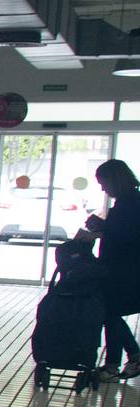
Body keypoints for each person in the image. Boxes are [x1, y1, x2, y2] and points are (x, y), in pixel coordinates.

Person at [83, 159, 140, 379]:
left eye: (103, 182)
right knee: (110, 313)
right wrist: (102, 226)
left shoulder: (131, 203)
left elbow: (125, 235)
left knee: (110, 312)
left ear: (115, 179)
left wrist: (100, 229)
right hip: (122, 268)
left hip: (124, 270)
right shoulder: (129, 201)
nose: (103, 188)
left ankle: (120, 361)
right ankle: (119, 361)